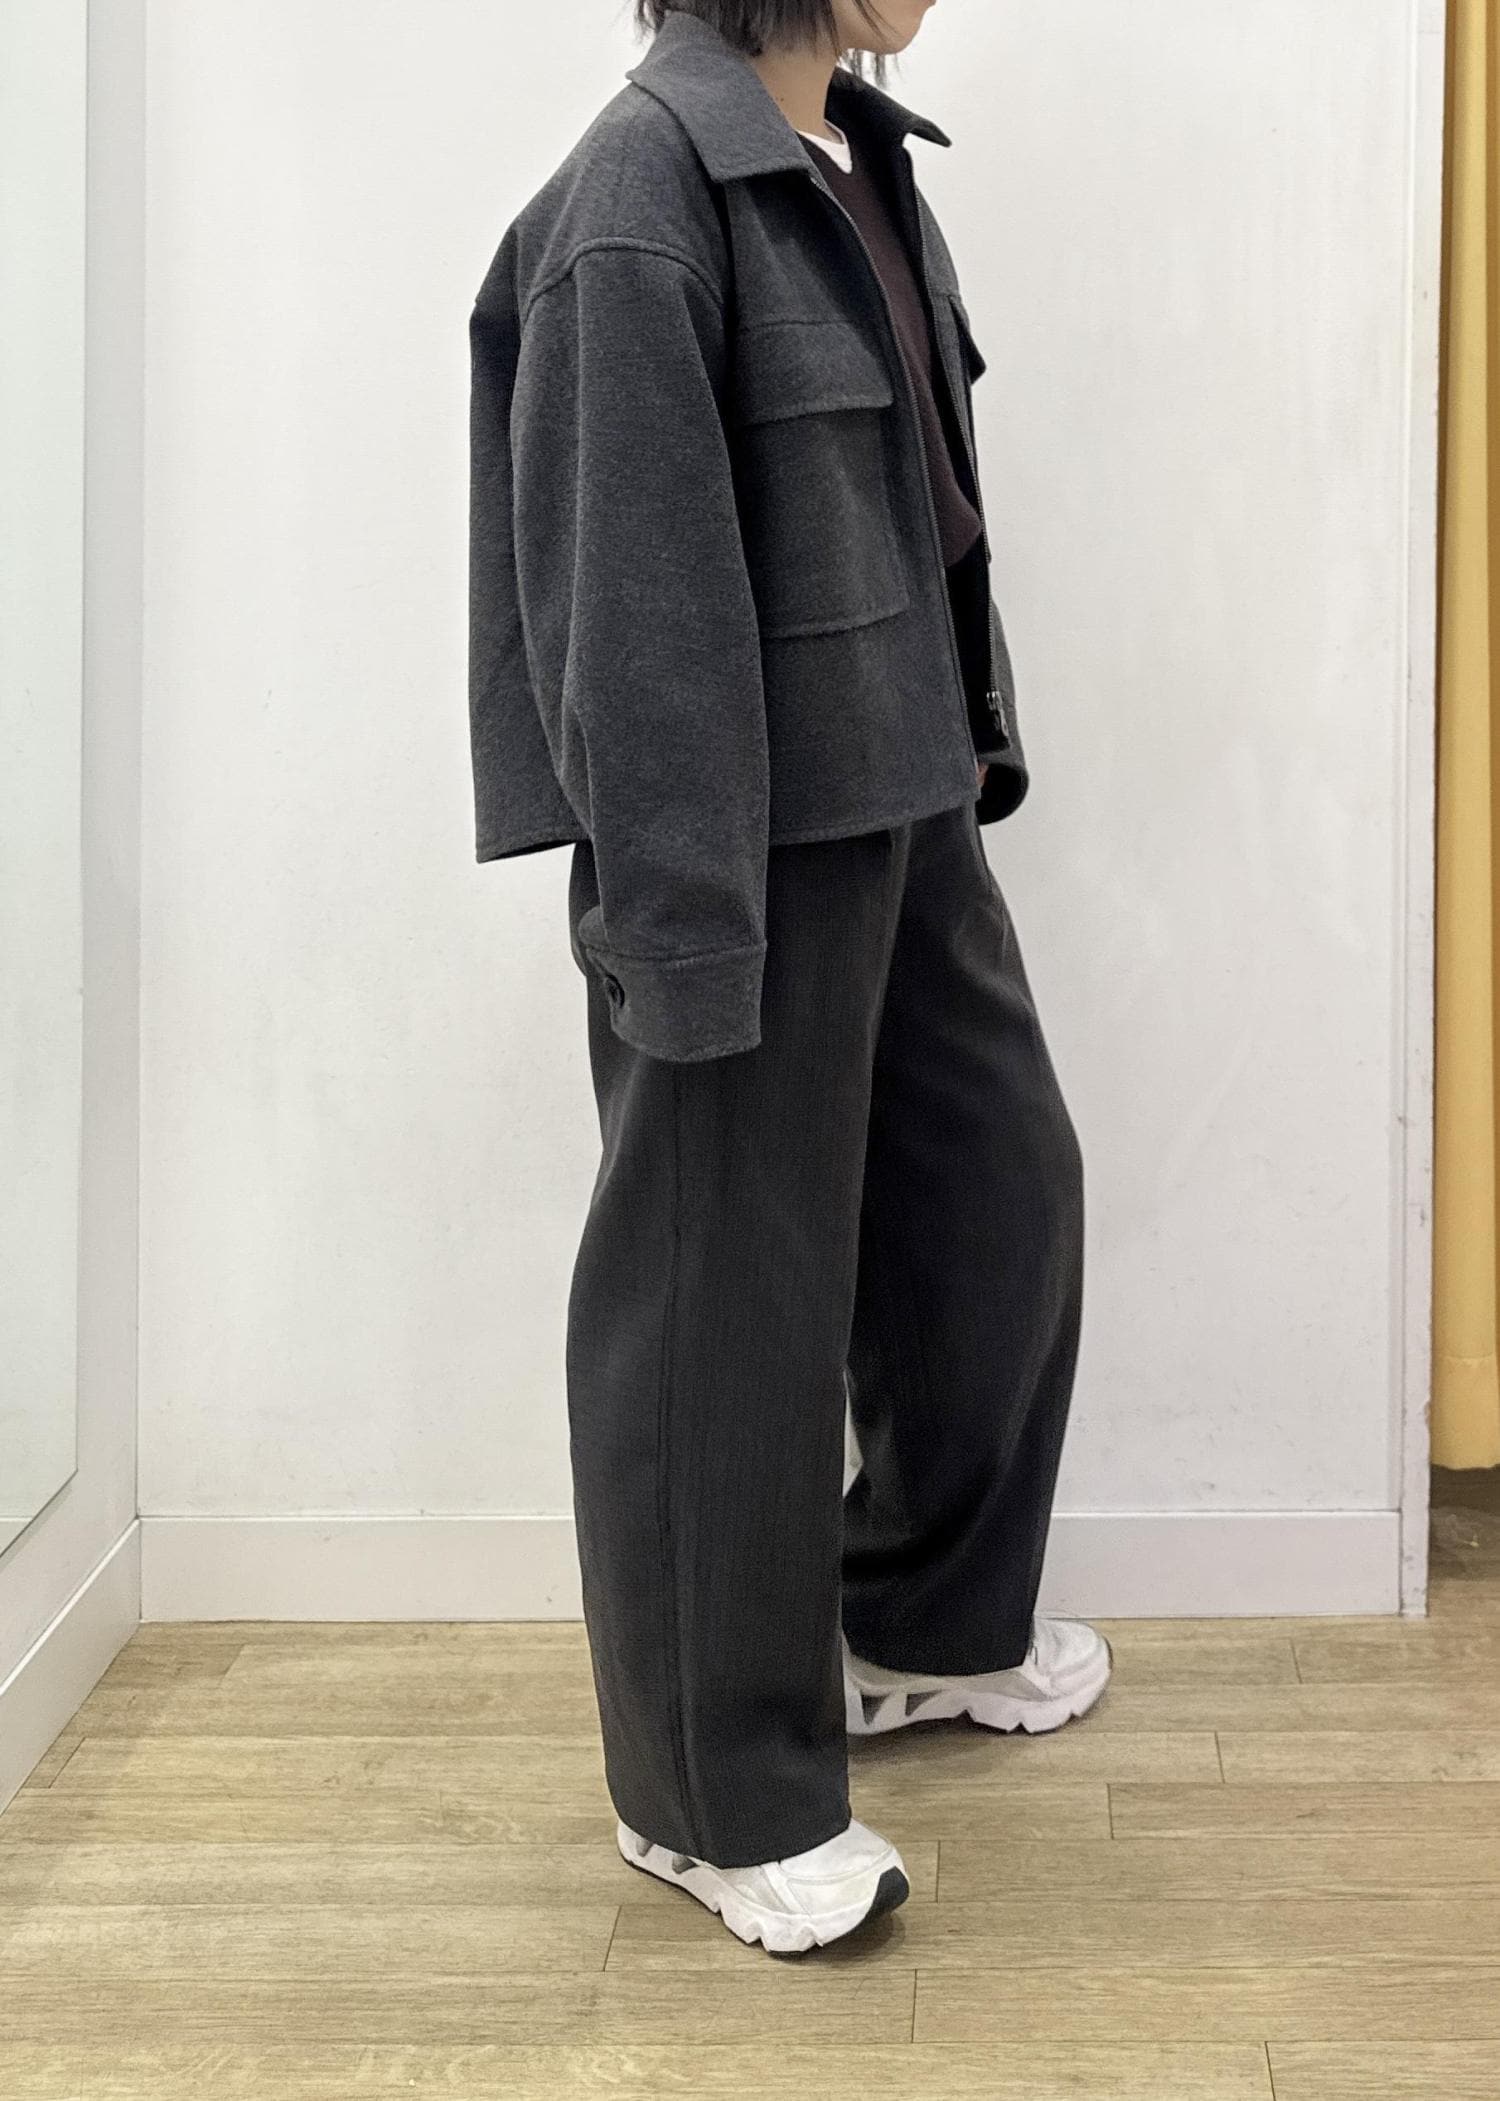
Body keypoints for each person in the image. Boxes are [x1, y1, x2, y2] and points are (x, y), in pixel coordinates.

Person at [466, 0, 1109, 1955]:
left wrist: (968, 749)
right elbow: (626, 619)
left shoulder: (860, 165)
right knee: (721, 1300)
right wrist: (677, 925)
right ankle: (707, 1793)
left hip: (906, 799)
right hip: (742, 846)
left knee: (1001, 1197)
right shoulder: (638, 200)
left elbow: (923, 512)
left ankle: (916, 1619)